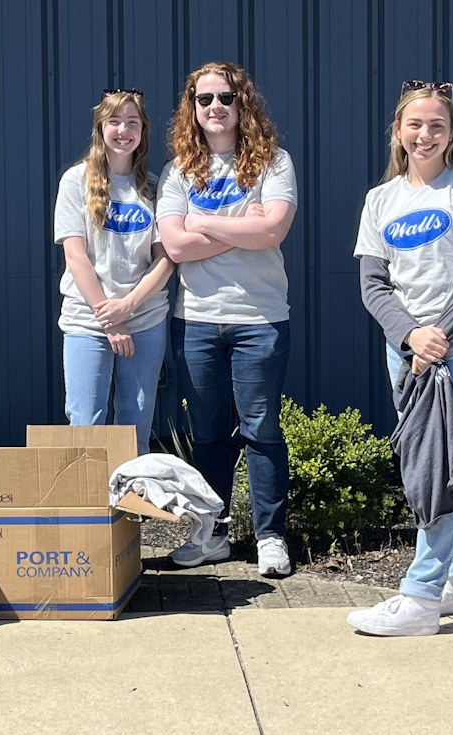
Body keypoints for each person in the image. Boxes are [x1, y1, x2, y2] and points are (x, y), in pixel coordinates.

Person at [346, 82, 453, 637]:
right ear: (399, 132)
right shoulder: (380, 200)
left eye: (437, 125)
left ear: (451, 133)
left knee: (438, 469)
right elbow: (373, 284)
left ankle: (419, 595)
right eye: (415, 125)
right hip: (407, 352)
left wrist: (438, 333)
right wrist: (411, 336)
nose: (425, 134)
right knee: (425, 465)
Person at [157, 63, 299, 578]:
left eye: (225, 97)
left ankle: (270, 537)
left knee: (262, 430)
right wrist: (244, 224)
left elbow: (273, 231)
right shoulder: (178, 171)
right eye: (203, 98)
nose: (214, 107)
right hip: (195, 321)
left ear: (243, 105)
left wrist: (203, 223)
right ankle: (213, 533)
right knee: (210, 432)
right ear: (191, 108)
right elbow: (174, 245)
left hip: (260, 318)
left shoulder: (272, 162)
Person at [54, 89, 175, 430]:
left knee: (135, 424)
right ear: (101, 129)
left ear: (143, 130)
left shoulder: (153, 187)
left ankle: (131, 486)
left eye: (132, 122)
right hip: (87, 322)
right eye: (115, 122)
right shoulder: (75, 182)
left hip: (145, 321)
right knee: (86, 423)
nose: (123, 130)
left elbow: (166, 259)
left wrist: (129, 307)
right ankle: (89, 487)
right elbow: (75, 256)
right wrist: (111, 319)